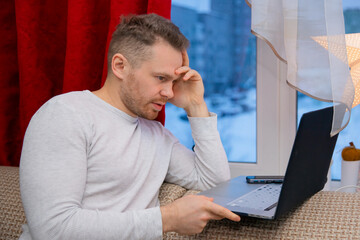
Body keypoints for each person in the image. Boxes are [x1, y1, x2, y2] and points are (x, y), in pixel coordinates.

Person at [19, 13, 240, 240]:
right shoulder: (65, 114)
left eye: (173, 82)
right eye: (161, 78)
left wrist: (195, 105)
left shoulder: (156, 135)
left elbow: (215, 182)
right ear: (120, 66)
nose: (170, 93)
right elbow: (53, 230)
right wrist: (167, 219)